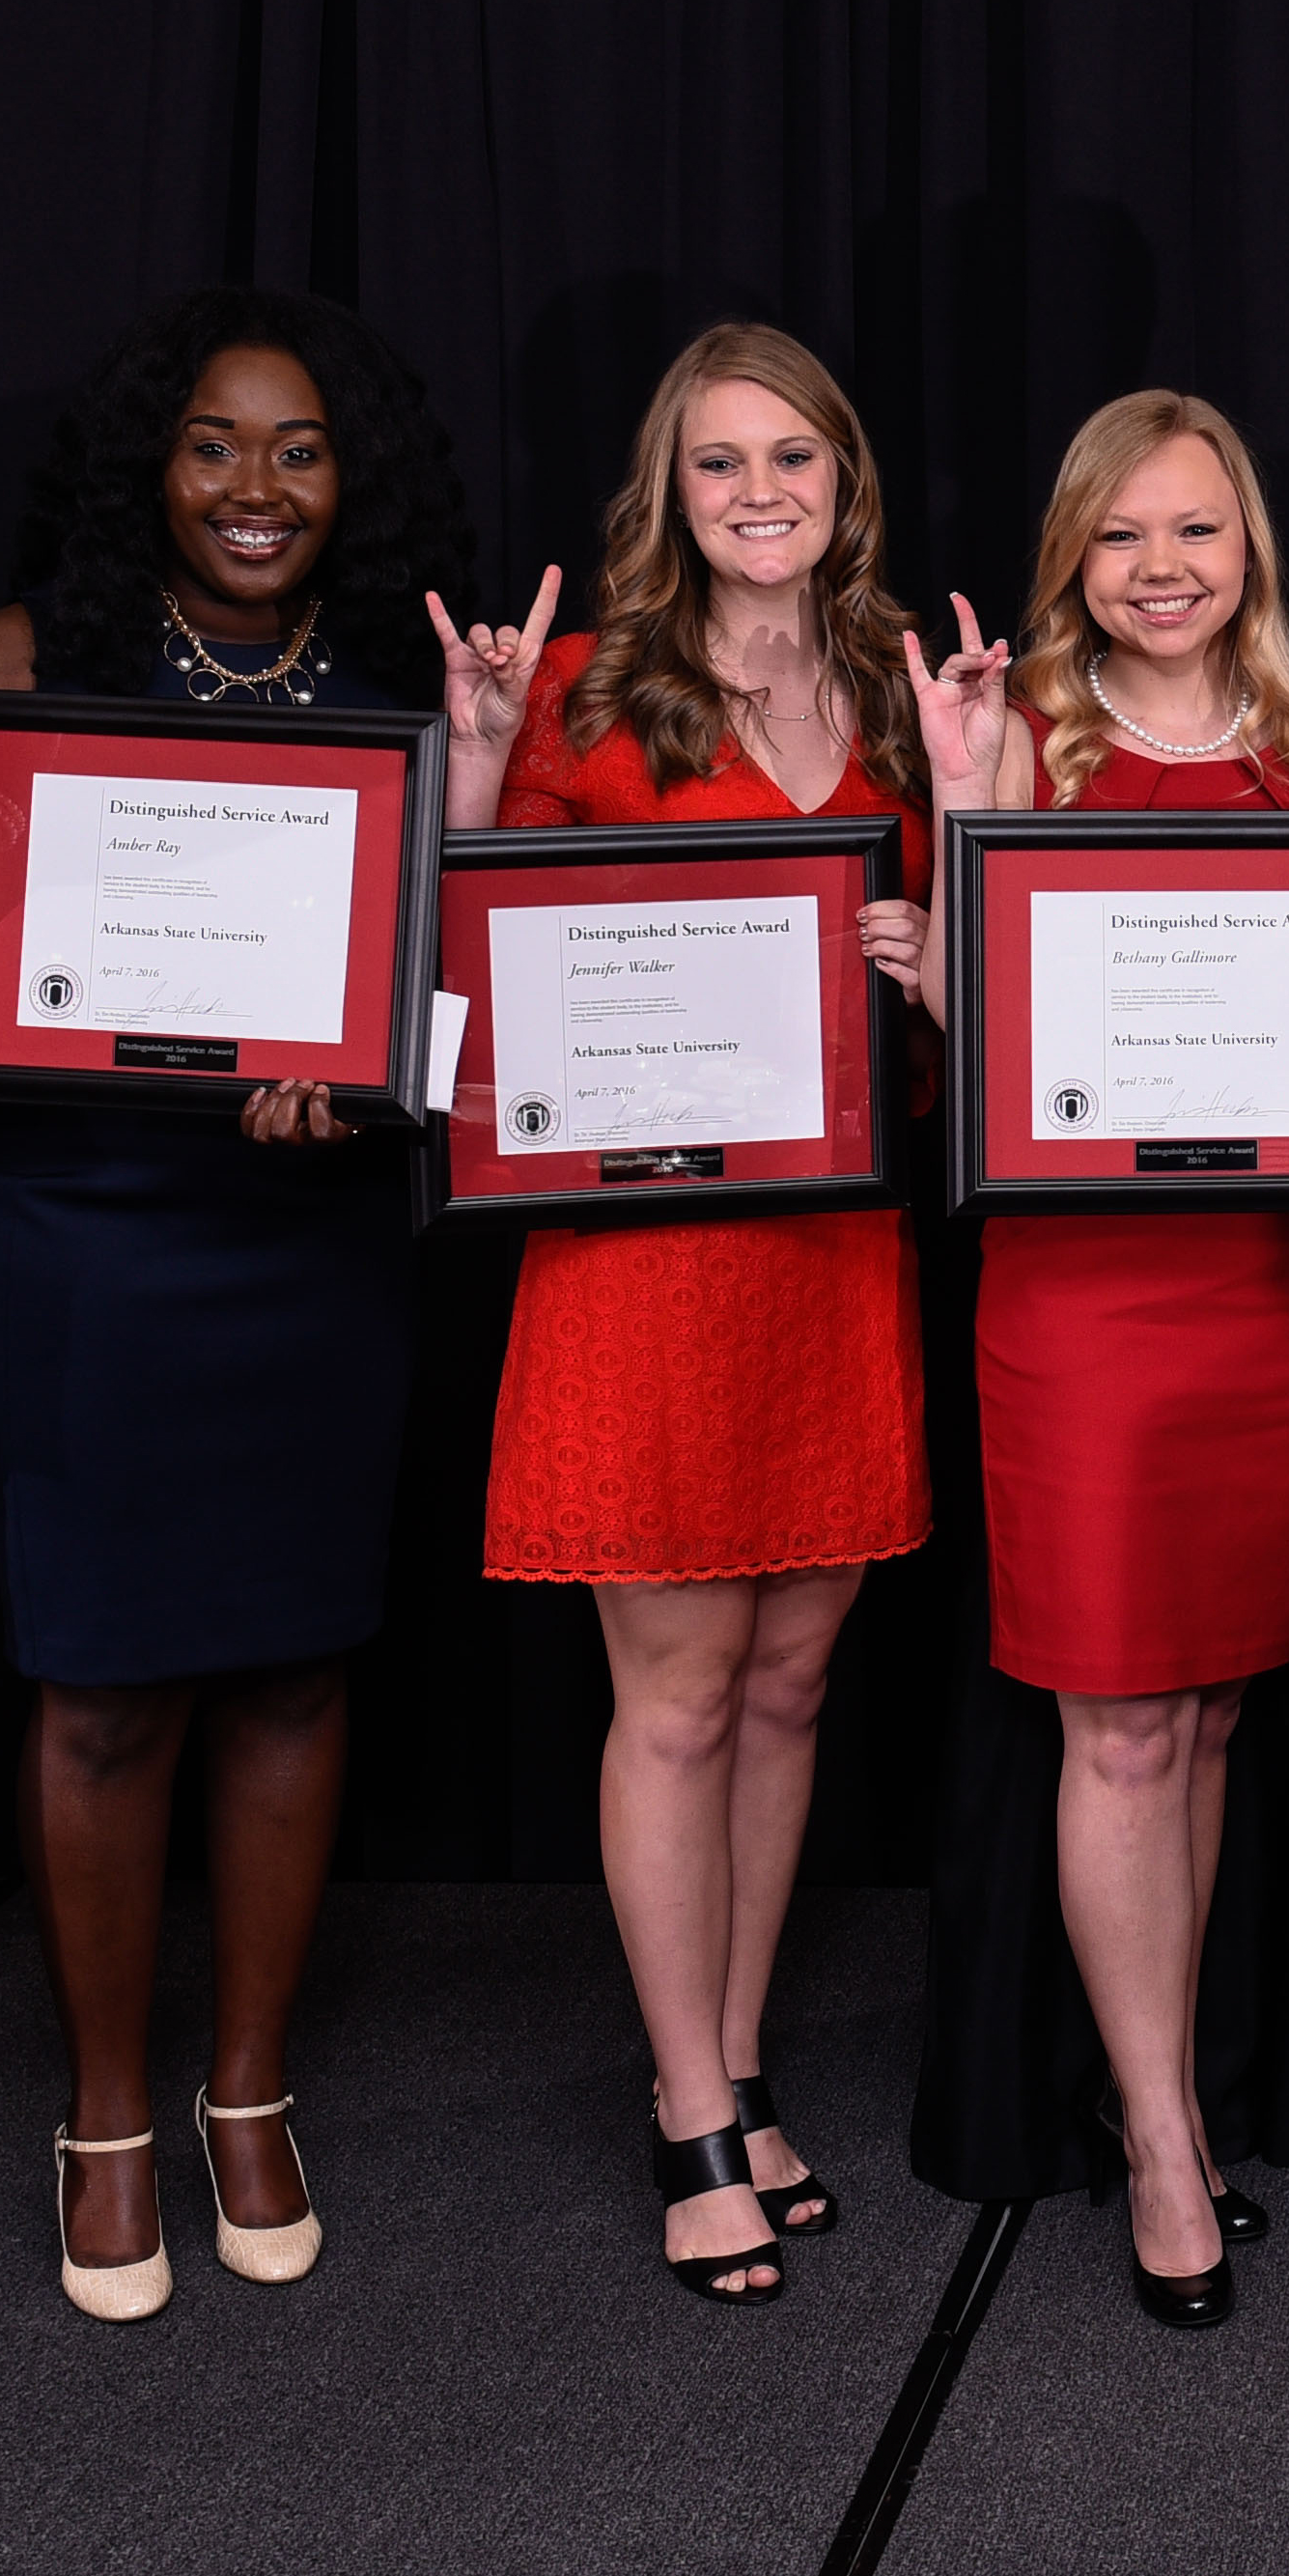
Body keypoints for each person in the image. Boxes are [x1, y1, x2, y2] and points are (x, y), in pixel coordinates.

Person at [0, 290, 531, 2321]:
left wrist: (386, 1072)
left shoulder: (405, 677)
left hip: (303, 1241)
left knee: (300, 1670)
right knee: (109, 1683)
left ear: (355, 475)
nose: (255, 485)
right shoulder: (21, 664)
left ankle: (249, 2089)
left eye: (300, 447)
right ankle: (108, 2110)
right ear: (152, 457)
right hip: (74, 1241)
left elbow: (455, 995)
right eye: (217, 443)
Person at [930, 389, 1289, 2330]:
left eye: (1202, 531)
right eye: (1127, 535)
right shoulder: (1011, 740)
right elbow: (969, 1048)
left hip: (1273, 1291)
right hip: (1083, 1308)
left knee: (1216, 1712)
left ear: (1254, 552)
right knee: (1118, 1722)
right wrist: (952, 855)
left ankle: (1168, 2082)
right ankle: (1158, 2130)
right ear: (1076, 552)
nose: (1165, 571)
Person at [477, 322, 950, 2306]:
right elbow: (481, 978)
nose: (762, 497)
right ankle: (687, 2112)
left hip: (834, 1255)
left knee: (785, 1688)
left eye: (796, 463)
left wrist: (943, 960)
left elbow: (964, 1014)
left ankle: (741, 2068)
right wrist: (469, 739)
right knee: (672, 1699)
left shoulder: (916, 696)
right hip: (644, 1273)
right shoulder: (586, 688)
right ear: (671, 494)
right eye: (721, 466)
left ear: (846, 484)